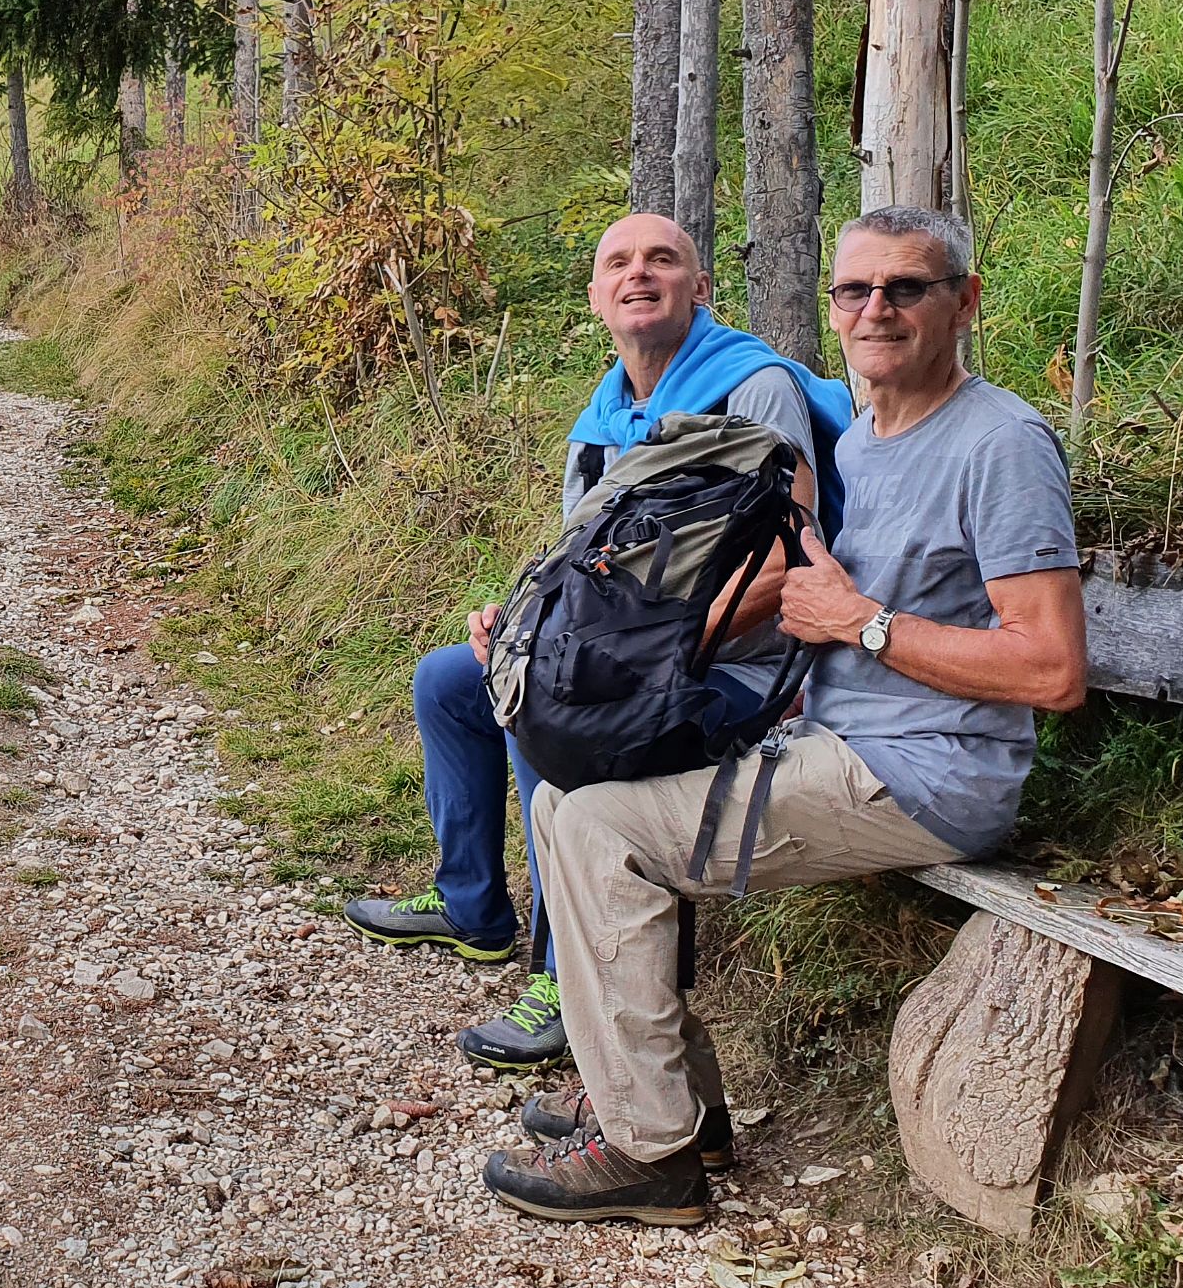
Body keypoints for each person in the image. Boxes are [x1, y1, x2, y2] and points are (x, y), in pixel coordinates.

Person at [482, 206, 1090, 1225]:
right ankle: (682, 1106)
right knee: (570, 797)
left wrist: (867, 625)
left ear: (964, 303)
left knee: (599, 831)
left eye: (907, 289)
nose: (876, 311)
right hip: (832, 740)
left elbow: (1055, 669)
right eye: (854, 291)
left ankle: (649, 1151)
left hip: (930, 772)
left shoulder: (1001, 443)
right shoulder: (868, 442)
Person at [343, 212, 849, 1071]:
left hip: (748, 673)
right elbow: (575, 566)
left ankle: (562, 976)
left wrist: (646, 654)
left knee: (562, 704)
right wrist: (521, 627)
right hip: (635, 660)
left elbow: (791, 557)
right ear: (595, 297)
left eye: (662, 259)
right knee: (450, 683)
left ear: (699, 287)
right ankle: (471, 908)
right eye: (618, 262)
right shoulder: (603, 415)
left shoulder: (750, 388)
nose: (638, 274)